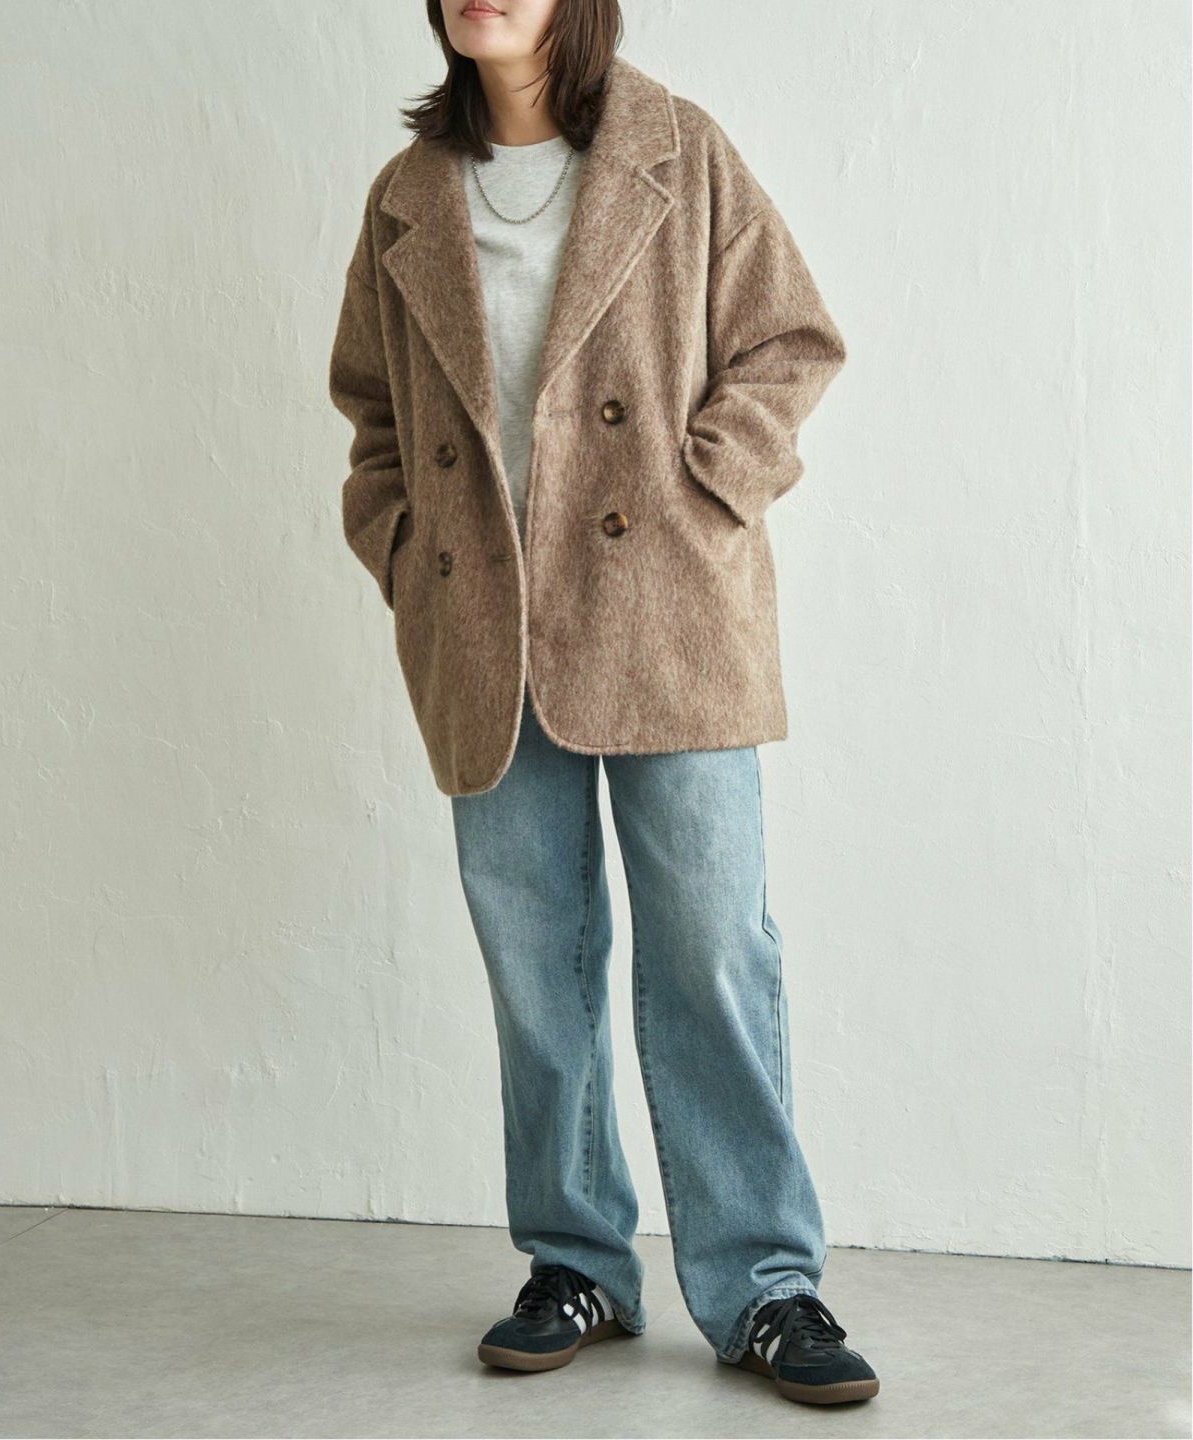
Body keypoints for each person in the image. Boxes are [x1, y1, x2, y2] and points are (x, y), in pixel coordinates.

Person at [328, 0, 877, 1407]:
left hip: (669, 619)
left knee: (710, 948)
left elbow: (792, 340)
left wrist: (705, 493)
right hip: (485, 630)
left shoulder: (674, 150)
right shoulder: (407, 196)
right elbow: (372, 415)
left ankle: (765, 1282)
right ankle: (575, 1259)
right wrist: (400, 543)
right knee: (538, 967)